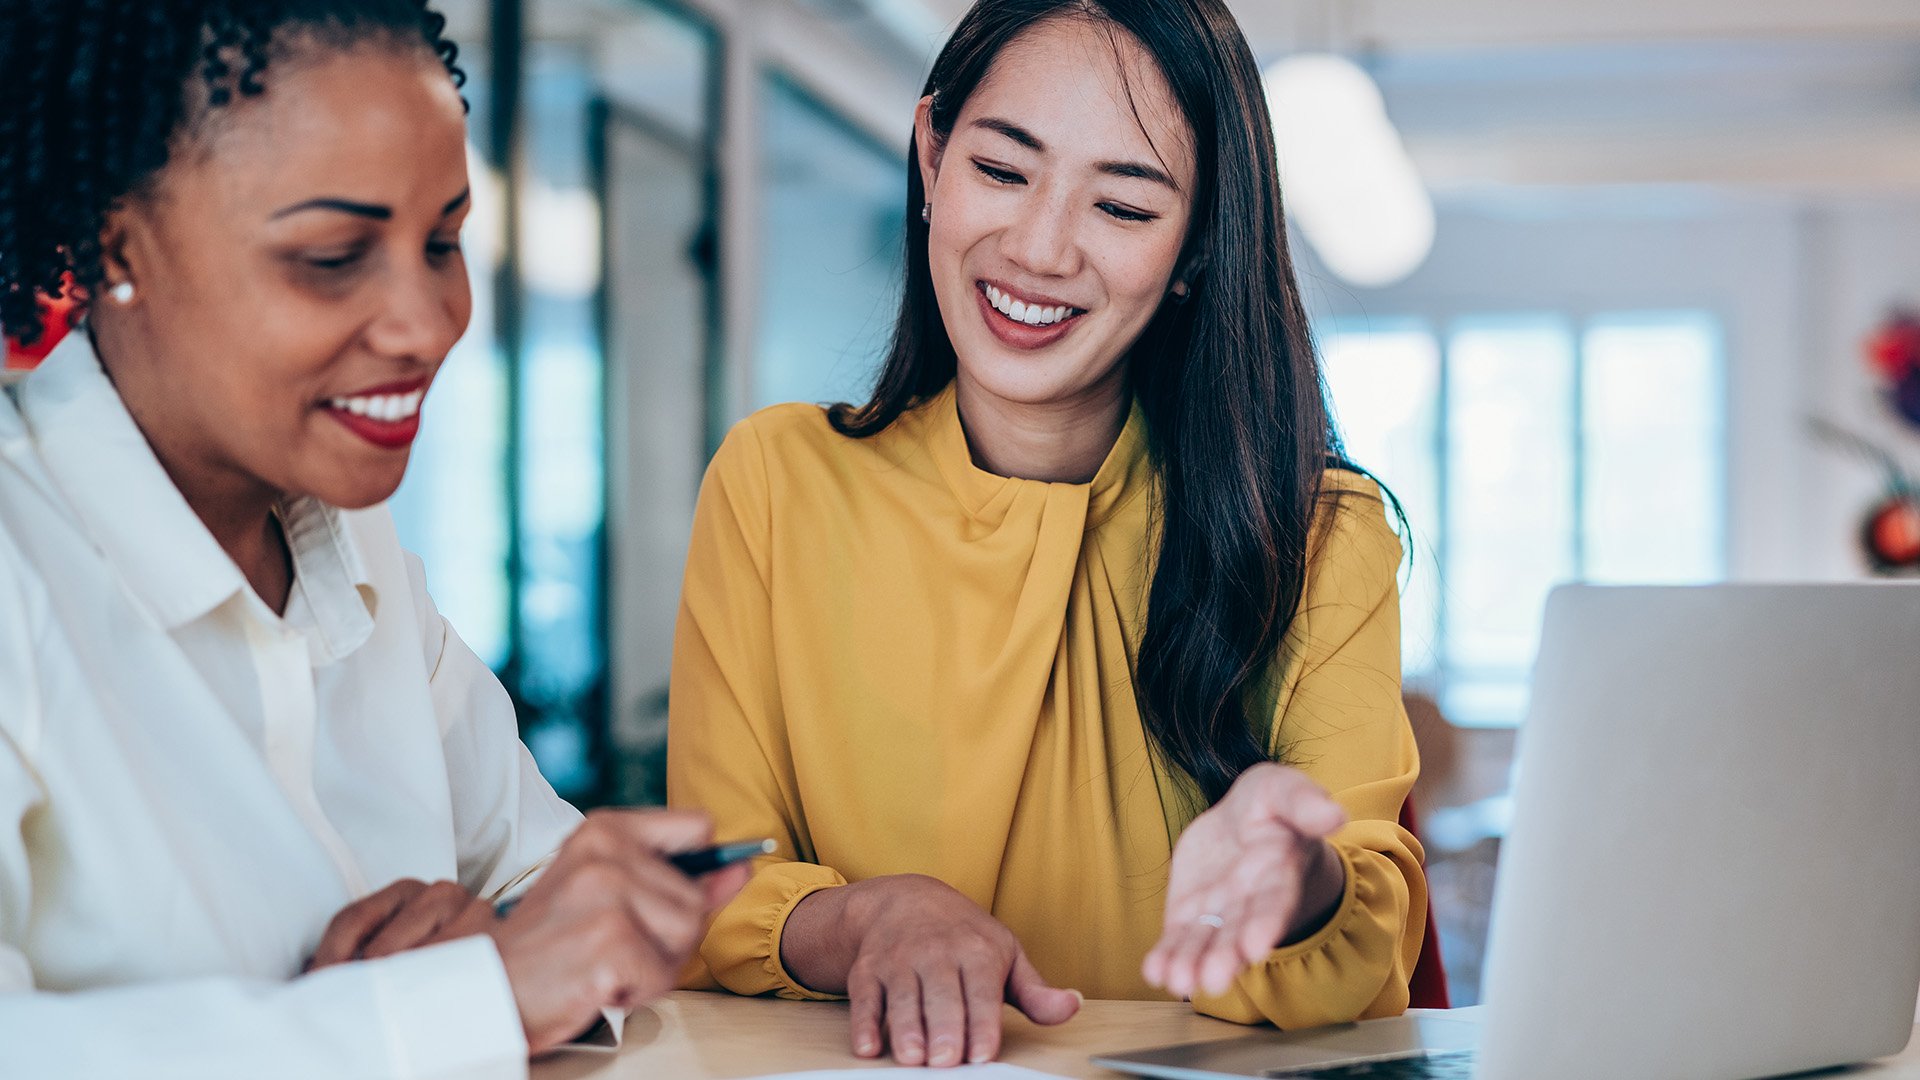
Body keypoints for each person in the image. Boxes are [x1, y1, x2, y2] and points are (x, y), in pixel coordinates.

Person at [667, 0, 1426, 1068]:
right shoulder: (777, 484)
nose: (1039, 248)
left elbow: (1372, 948)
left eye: (1122, 206)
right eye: (1005, 170)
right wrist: (871, 921)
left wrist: (1302, 879)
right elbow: (712, 888)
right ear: (931, 156)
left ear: (1196, 247)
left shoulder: (1318, 536)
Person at [0, 3, 744, 1076]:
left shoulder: (356, 552)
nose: (430, 321)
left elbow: (559, 895)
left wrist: (498, 976)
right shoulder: (24, 562)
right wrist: (444, 1011)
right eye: (333, 256)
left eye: (443, 241)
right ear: (117, 241)